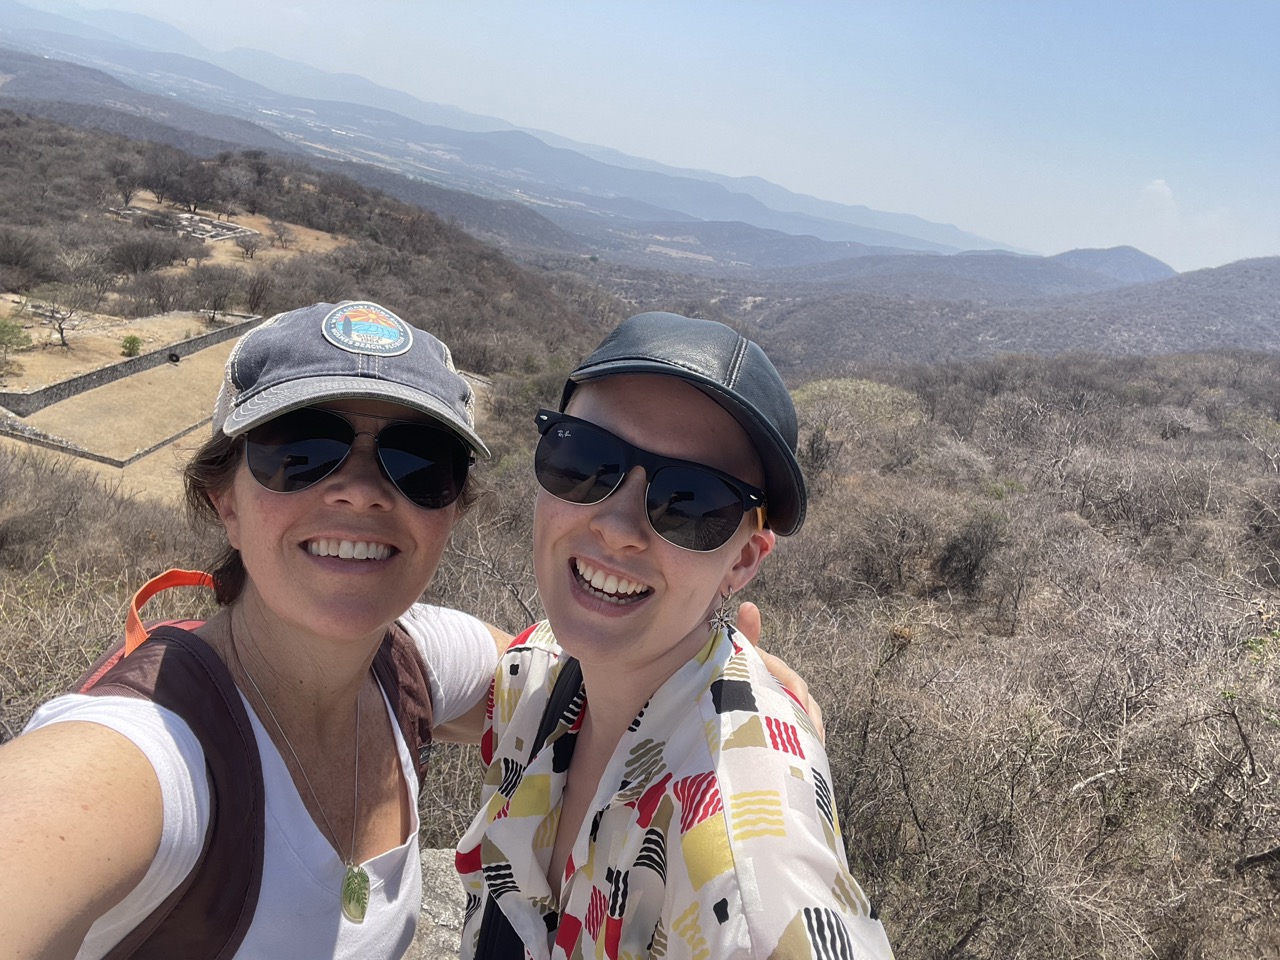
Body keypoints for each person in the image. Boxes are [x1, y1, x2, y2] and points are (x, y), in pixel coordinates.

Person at [0, 300, 818, 960]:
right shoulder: (134, 760)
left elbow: (579, 675)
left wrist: (733, 688)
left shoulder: (414, 667)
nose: (359, 490)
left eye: (418, 461)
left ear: (447, 512)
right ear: (224, 498)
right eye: (300, 450)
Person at [456, 312, 894, 959]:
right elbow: (389, 651)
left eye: (691, 503)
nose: (618, 526)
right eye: (585, 458)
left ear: (743, 562)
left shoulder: (744, 852)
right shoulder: (536, 679)